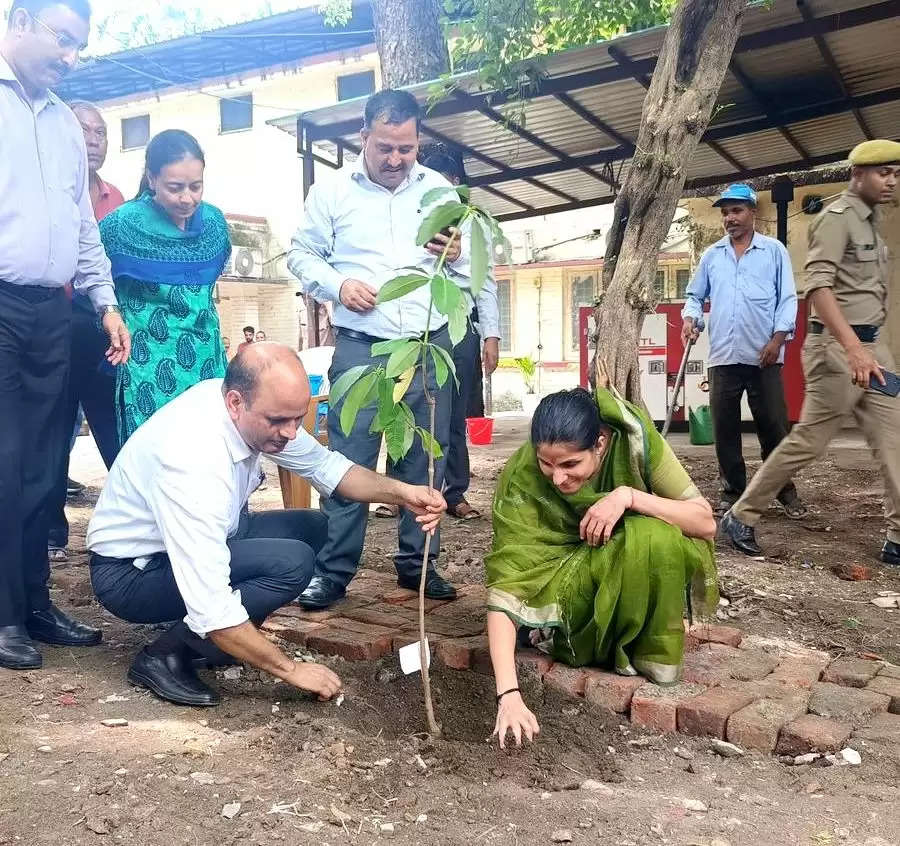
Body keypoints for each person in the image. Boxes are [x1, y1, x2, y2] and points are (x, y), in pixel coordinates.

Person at [87, 344, 446, 706]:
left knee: (315, 528)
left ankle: (217, 644)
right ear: (234, 402)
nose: (291, 433)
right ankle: (164, 657)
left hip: (196, 539)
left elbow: (329, 470)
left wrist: (403, 493)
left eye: (297, 418)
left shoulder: (256, 410)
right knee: (291, 564)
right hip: (131, 574)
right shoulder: (193, 459)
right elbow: (210, 604)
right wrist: (291, 670)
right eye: (278, 421)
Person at [288, 89, 480, 609]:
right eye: (385, 148)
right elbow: (301, 255)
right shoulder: (332, 193)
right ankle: (333, 570)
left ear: (418, 141)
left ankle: (419, 565)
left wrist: (458, 253)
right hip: (362, 349)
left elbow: (465, 273)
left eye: (406, 148)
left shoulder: (440, 190)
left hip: (426, 345)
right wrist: (337, 284)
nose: (395, 160)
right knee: (349, 458)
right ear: (364, 137)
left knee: (424, 456)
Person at [0, 0, 131, 671]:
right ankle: (3, 614)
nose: (70, 56)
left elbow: (83, 224)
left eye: (79, 46)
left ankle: (34, 604)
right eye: (62, 39)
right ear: (19, 22)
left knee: (43, 468)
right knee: (4, 460)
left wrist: (104, 302)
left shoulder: (60, 122)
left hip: (54, 312)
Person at [486, 386, 717, 748]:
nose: (557, 478)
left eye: (570, 465)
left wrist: (628, 496)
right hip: (560, 584)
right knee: (633, 541)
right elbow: (508, 583)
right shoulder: (522, 477)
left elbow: (705, 522)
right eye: (546, 463)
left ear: (601, 443)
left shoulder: (633, 440)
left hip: (610, 558)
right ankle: (564, 636)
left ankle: (638, 646)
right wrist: (509, 695)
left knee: (653, 537)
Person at [722, 141, 900, 566]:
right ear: (858, 175)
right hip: (839, 351)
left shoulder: (873, 223)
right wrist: (854, 349)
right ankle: (741, 515)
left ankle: (898, 536)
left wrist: (878, 351)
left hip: (872, 351)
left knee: (895, 440)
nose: (892, 180)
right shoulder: (837, 219)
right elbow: (817, 288)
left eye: (896, 172)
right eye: (883, 172)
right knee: (809, 442)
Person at [374, 148, 501, 521]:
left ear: (457, 185)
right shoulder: (405, 215)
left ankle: (454, 492)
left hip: (458, 327)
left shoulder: (471, 223)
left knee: (451, 417)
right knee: (399, 407)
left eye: (443, 184)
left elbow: (485, 281)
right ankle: (398, 493)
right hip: (408, 329)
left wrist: (490, 334)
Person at [682, 183, 805, 519]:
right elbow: (695, 296)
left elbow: (787, 299)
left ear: (753, 212)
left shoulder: (774, 251)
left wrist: (778, 340)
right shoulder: (712, 256)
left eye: (736, 211)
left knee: (774, 428)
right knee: (725, 429)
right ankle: (732, 491)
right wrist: (690, 318)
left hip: (763, 355)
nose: (729, 218)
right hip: (723, 355)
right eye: (725, 213)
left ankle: (784, 491)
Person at [99, 129, 231, 442]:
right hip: (148, 363)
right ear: (152, 178)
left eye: (195, 186)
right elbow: (91, 276)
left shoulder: (213, 222)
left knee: (210, 447)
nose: (187, 198)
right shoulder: (121, 225)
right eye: (175, 188)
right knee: (156, 454)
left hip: (205, 359)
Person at [47, 100, 126, 563]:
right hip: (56, 321)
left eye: (100, 132)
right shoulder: (52, 190)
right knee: (54, 433)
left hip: (105, 326)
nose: (93, 139)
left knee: (114, 425)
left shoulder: (117, 199)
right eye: (84, 130)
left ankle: (126, 526)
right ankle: (51, 532)